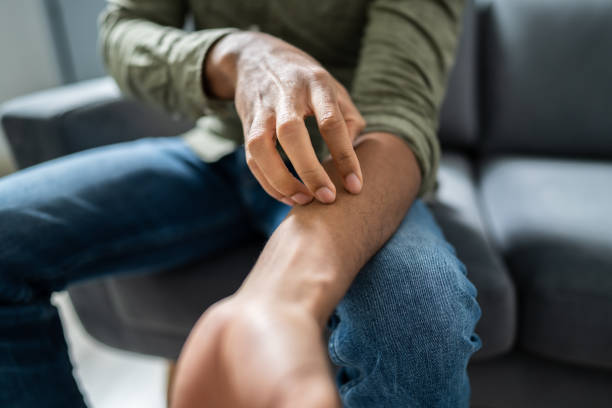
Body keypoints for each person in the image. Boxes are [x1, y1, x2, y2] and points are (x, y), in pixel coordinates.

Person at [0, 0, 482, 407]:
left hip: (351, 161)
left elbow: (398, 111)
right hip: (215, 153)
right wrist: (236, 54)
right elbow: (123, 33)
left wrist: (278, 305)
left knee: (421, 318)